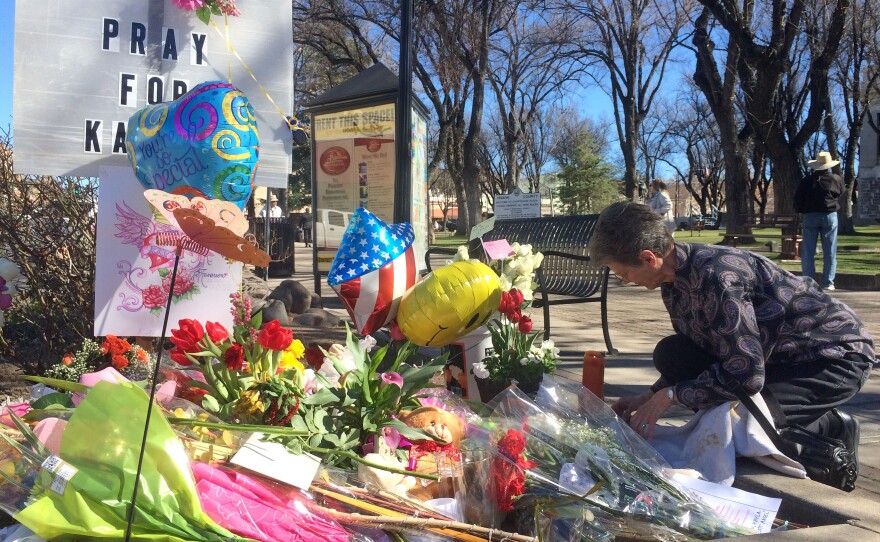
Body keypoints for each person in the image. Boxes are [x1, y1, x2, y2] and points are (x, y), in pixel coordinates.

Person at [589, 201, 874, 467]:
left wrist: (672, 396)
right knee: (673, 354)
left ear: (648, 258)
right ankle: (800, 416)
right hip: (774, 357)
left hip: (830, 356)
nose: (624, 280)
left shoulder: (718, 277)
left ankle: (832, 426)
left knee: (744, 431)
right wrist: (649, 396)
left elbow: (748, 375)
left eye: (622, 272)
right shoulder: (673, 281)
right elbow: (704, 349)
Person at [795, 151, 845, 290]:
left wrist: (802, 209)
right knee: (830, 251)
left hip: (810, 216)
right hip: (829, 215)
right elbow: (841, 193)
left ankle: (809, 282)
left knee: (808, 251)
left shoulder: (806, 181)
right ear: (828, 166)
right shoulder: (836, 179)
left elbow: (798, 199)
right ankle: (828, 282)